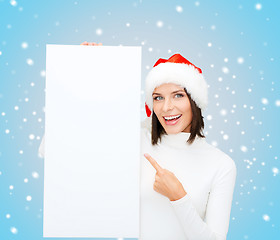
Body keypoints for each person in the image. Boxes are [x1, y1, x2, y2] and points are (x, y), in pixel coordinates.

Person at [39, 42, 237, 240]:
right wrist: (85, 69)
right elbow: (54, 150)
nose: (167, 107)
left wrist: (178, 196)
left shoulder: (221, 165)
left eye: (178, 95)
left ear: (195, 101)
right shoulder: (136, 142)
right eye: (158, 98)